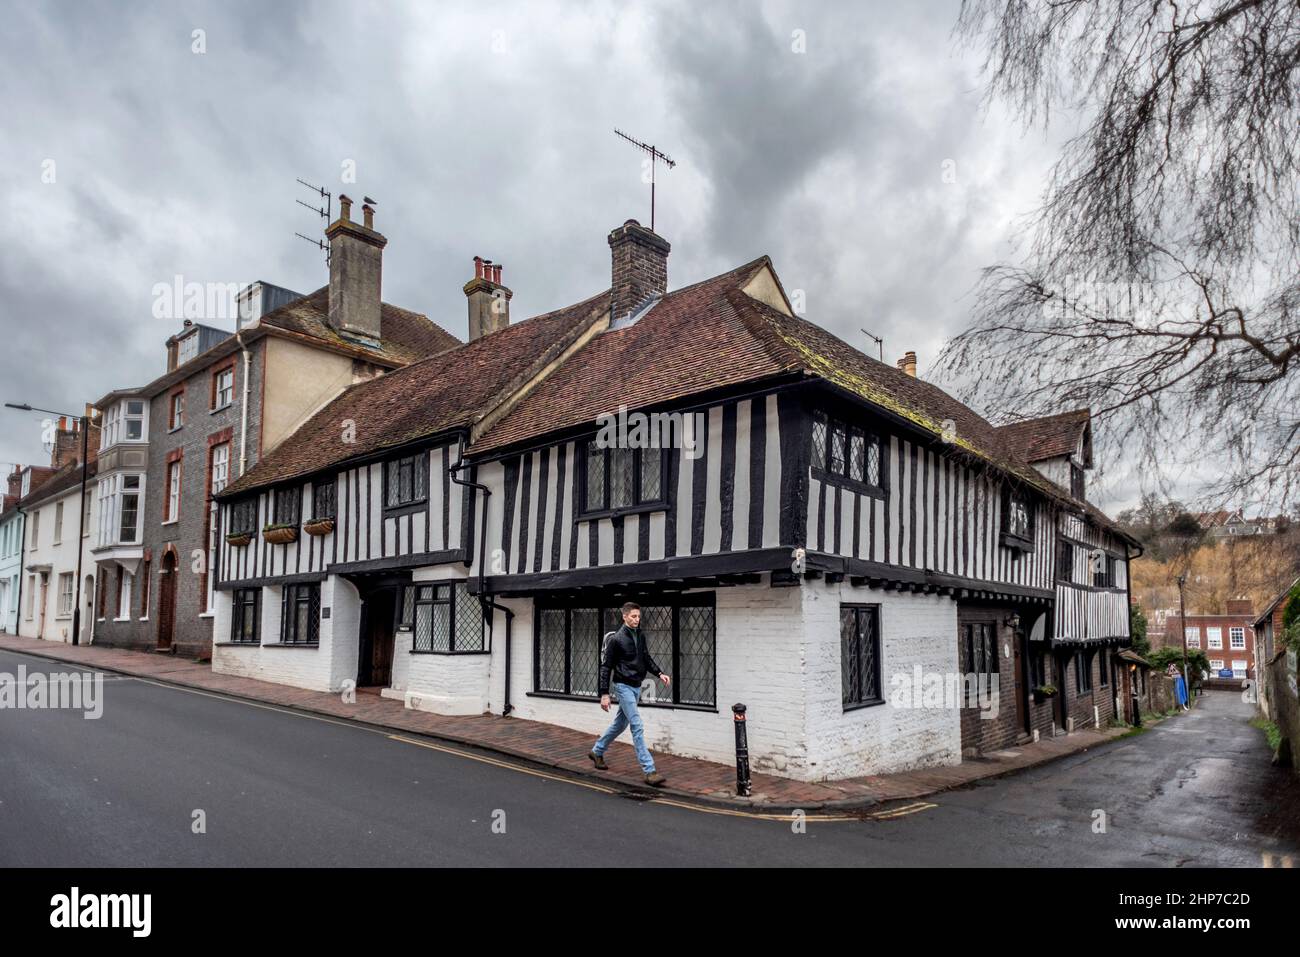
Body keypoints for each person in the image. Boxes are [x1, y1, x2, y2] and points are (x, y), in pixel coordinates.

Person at [589, 602, 671, 786]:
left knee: (620, 724)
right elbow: (606, 667)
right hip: (622, 686)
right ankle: (649, 770)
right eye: (633, 616)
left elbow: (646, 658)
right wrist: (604, 693)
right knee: (637, 725)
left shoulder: (640, 635)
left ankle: (597, 751)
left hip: (636, 686)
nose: (636, 619)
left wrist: (660, 673)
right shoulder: (616, 639)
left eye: (638, 616)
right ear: (624, 616)